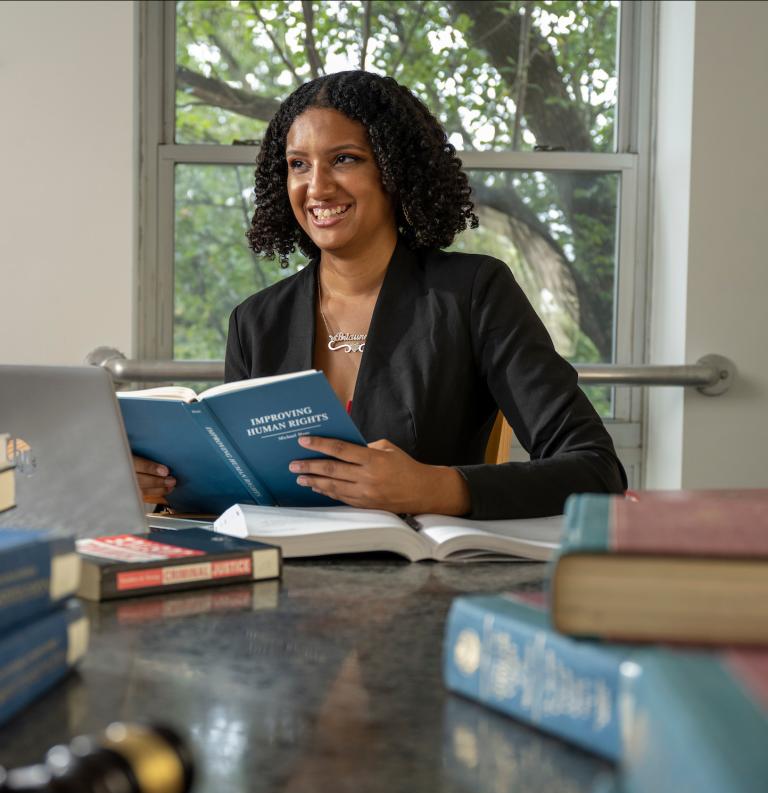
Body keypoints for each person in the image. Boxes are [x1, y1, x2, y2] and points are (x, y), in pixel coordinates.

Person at [135, 70, 626, 519]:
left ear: (395, 170)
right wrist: (167, 487)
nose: (317, 187)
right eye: (298, 164)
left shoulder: (473, 293)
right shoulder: (256, 322)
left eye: (344, 159)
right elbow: (242, 496)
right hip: (288, 588)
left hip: (425, 582)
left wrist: (437, 488)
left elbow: (597, 472)